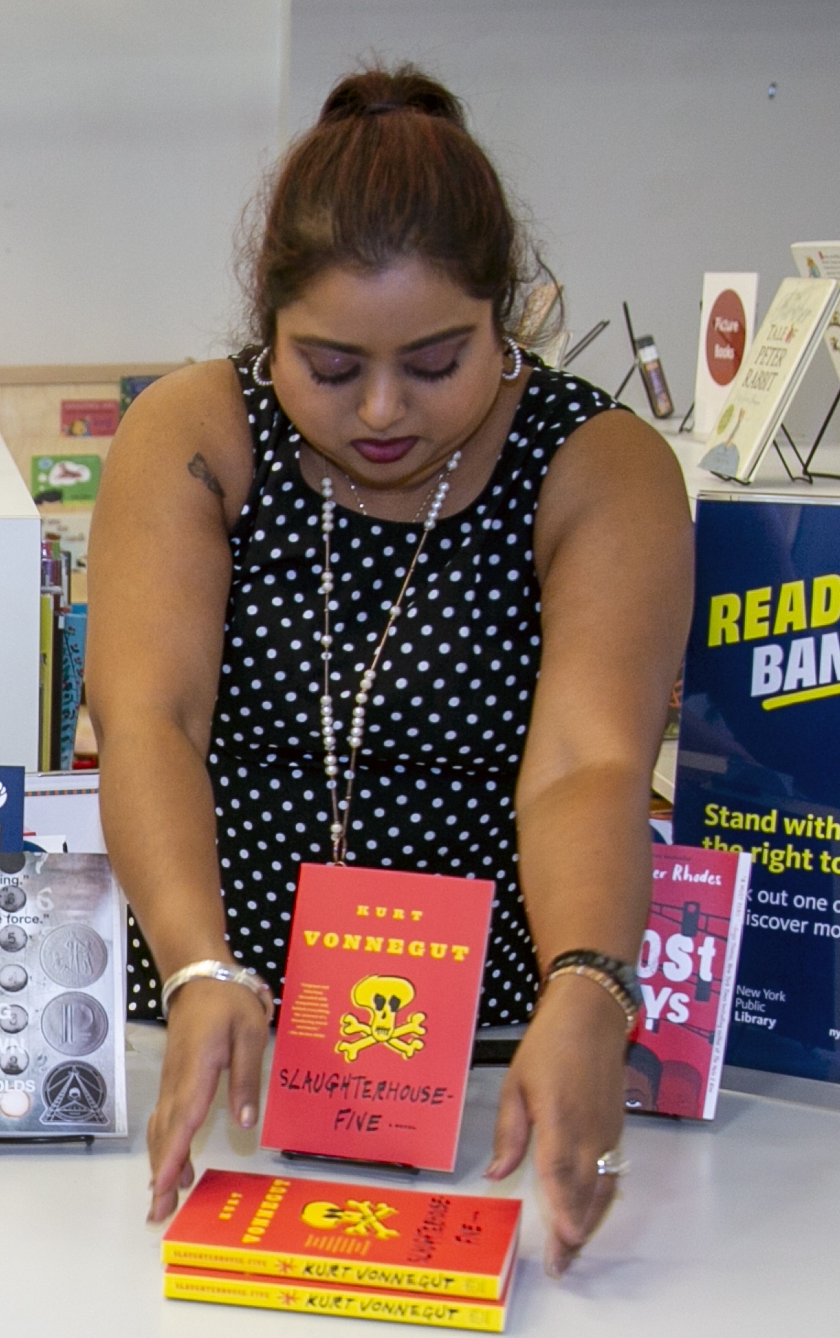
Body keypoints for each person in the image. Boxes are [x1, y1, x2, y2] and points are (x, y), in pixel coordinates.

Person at [90, 66, 692, 1272]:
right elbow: (147, 715)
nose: (379, 409)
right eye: (326, 365)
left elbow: (587, 761)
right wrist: (198, 960)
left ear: (503, 314)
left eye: (433, 363)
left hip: (494, 1054)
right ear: (268, 328)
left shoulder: (597, 465)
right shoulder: (196, 435)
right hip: (219, 1031)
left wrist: (588, 987)